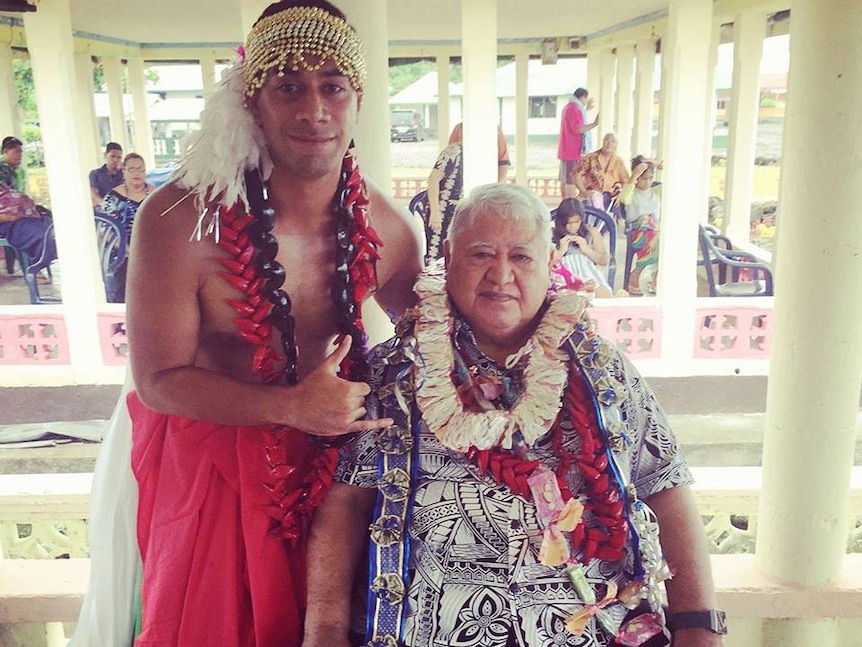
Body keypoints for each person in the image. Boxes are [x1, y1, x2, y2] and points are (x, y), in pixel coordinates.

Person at [69, 2, 424, 646]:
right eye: (288, 85)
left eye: (332, 87)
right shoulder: (179, 218)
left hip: (336, 469)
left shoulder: (393, 229)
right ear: (253, 101)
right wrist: (292, 406)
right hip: (213, 470)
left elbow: (437, 347)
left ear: (357, 100)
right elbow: (158, 380)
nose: (313, 109)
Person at [304, 183, 725, 647]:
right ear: (448, 256)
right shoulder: (393, 372)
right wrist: (323, 629)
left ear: (549, 262)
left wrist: (699, 626)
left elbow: (666, 485)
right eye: (481, 254)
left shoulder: (604, 369)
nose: (500, 276)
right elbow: (346, 501)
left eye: (521, 257)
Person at [423, 121, 509, 264]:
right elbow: (433, 180)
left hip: (462, 212)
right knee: (437, 254)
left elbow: (503, 165)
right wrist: (435, 213)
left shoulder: (484, 156)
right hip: (442, 211)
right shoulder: (454, 152)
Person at [98, 153, 155, 303]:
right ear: (124, 172)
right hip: (121, 250)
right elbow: (106, 231)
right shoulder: (113, 197)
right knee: (126, 273)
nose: (137, 173)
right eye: (132, 169)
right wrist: (128, 249)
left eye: (140, 169)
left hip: (150, 248)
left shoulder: (155, 194)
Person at [0, 135, 57, 277]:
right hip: (6, 220)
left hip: (17, 215)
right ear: (5, 152)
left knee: (47, 221)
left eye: (21, 152)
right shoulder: (2, 170)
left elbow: (16, 196)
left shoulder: (17, 171)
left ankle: (42, 260)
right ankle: (34, 268)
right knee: (34, 231)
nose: (20, 155)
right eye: (16, 152)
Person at [552, 197, 613, 298]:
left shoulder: (591, 232)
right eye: (569, 223)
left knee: (603, 293)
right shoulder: (552, 234)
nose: (573, 227)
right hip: (566, 278)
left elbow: (604, 260)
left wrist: (586, 249)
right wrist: (561, 252)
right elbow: (546, 265)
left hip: (589, 275)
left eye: (576, 222)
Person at [620, 155, 661, 295]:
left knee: (664, 240)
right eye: (644, 178)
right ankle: (637, 275)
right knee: (655, 235)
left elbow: (677, 186)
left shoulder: (657, 191)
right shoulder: (631, 192)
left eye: (650, 178)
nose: (648, 182)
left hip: (655, 232)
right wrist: (633, 178)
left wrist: (659, 166)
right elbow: (624, 198)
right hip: (637, 232)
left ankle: (652, 277)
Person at [574, 132, 630, 214]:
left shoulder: (619, 162)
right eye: (607, 140)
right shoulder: (591, 158)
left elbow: (626, 182)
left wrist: (620, 194)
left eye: (613, 141)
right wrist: (584, 192)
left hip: (610, 197)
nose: (609, 143)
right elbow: (576, 175)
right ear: (603, 142)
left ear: (616, 145)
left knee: (618, 214)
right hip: (591, 196)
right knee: (585, 211)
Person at [558, 87, 599, 199]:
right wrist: (595, 124)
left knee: (566, 179)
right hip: (572, 150)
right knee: (571, 180)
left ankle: (567, 203)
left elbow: (579, 118)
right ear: (582, 97)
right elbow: (578, 129)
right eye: (586, 99)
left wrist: (587, 109)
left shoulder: (571, 107)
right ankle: (570, 205)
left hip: (568, 150)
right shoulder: (573, 109)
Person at [89, 142, 124, 208]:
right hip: (102, 208)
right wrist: (104, 205)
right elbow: (93, 193)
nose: (115, 160)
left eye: (119, 157)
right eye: (112, 156)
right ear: (105, 155)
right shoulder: (96, 174)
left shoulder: (124, 174)